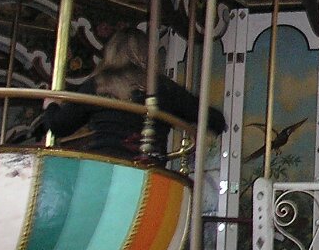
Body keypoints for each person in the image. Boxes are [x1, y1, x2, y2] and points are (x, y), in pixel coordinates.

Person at [41, 28, 226, 161]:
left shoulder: (98, 85)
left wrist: (51, 105)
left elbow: (59, 126)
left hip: (104, 162)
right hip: (148, 166)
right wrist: (189, 127)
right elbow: (214, 120)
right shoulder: (163, 87)